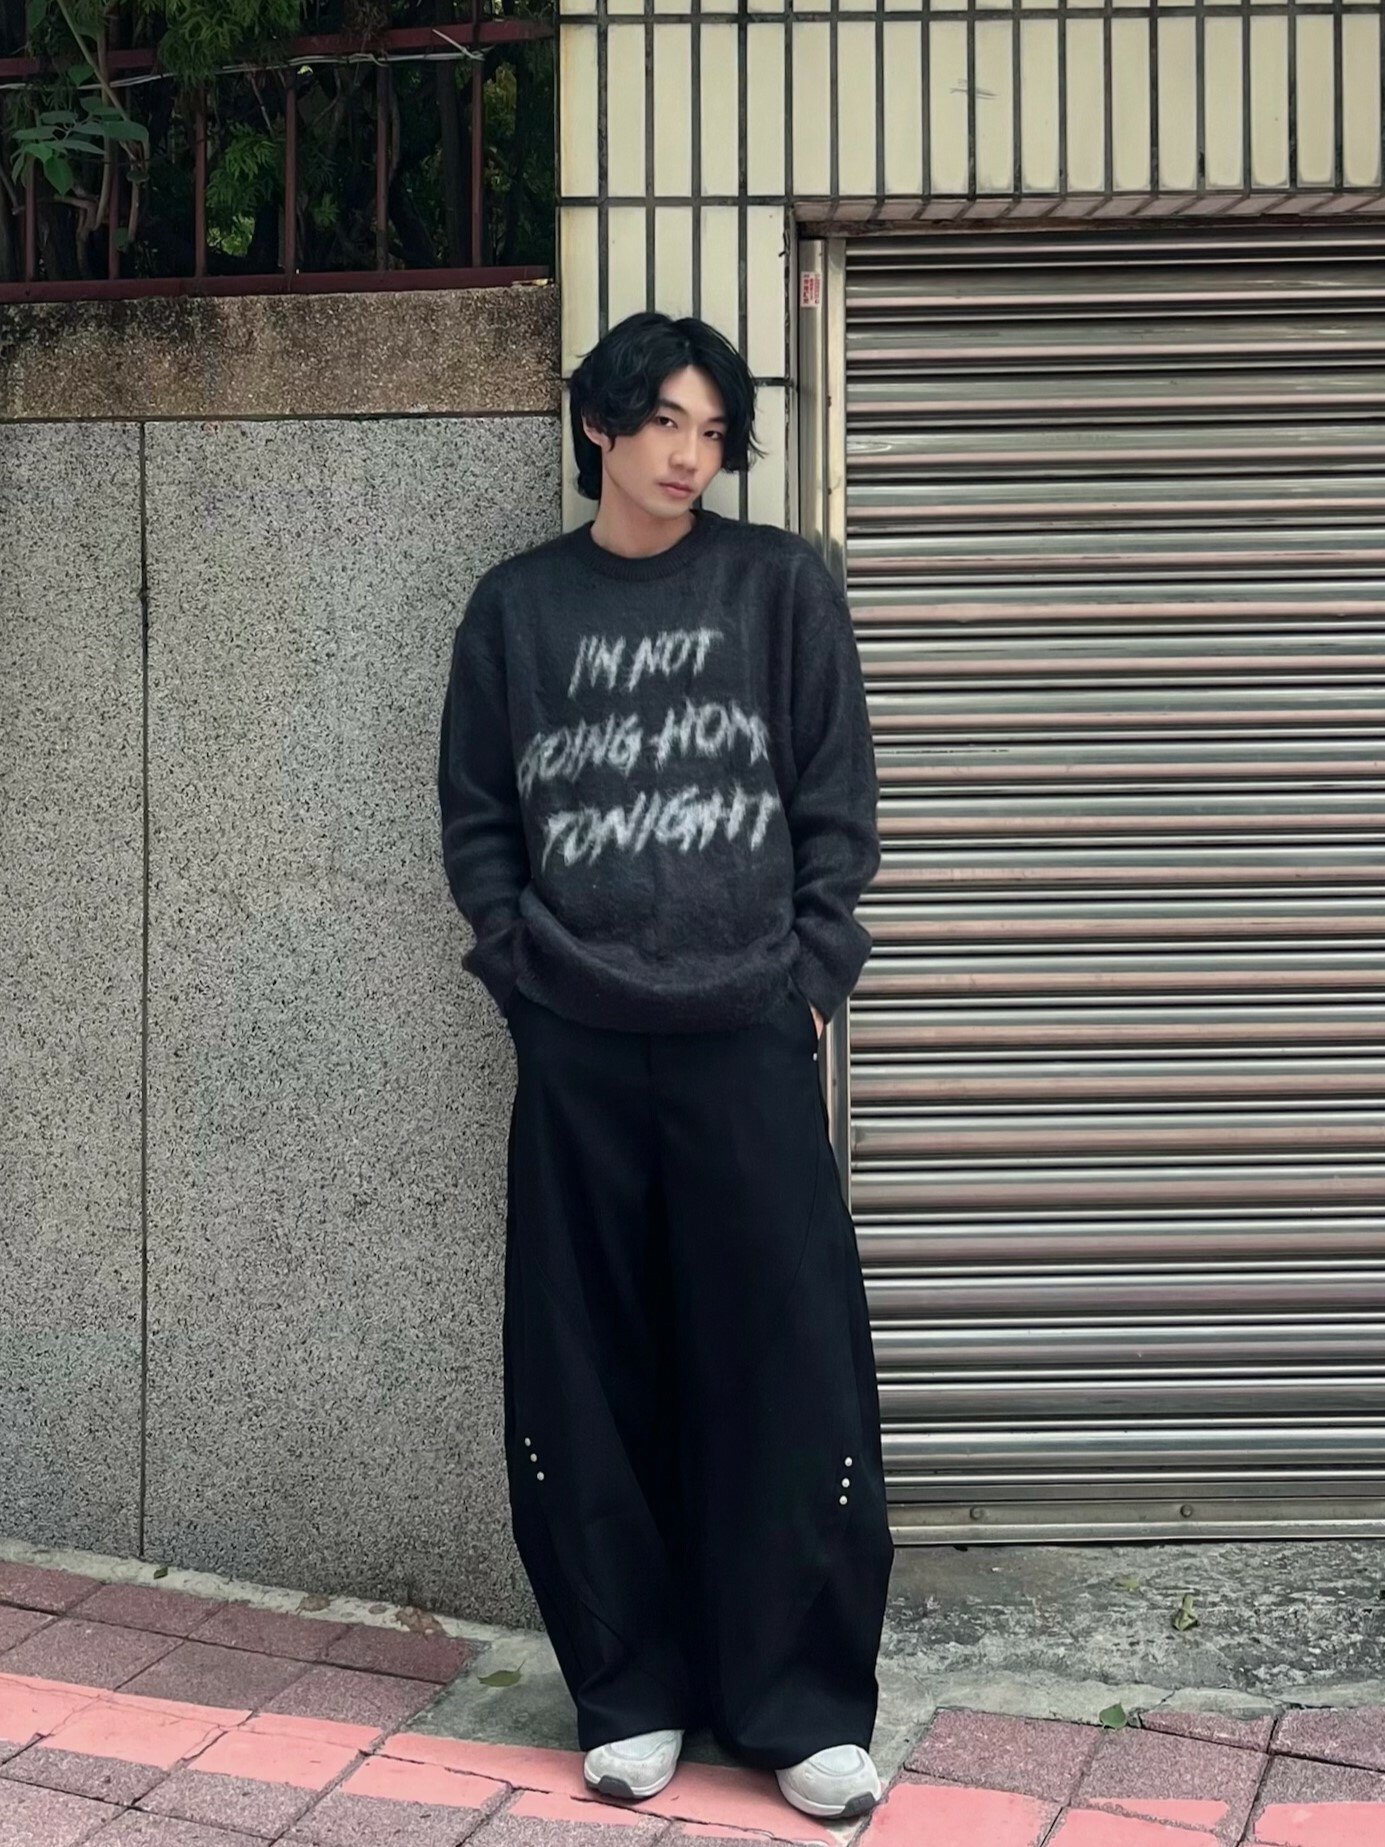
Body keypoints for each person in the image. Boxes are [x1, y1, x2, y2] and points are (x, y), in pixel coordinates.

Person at [437, 310, 894, 1823]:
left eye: (712, 432)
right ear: (599, 426)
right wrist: (522, 979)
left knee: (786, 1364)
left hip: (746, 1033)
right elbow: (478, 816)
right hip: (577, 1038)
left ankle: (799, 1709)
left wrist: (809, 985)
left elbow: (835, 801)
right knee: (587, 1368)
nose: (690, 456)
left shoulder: (778, 585)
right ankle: (628, 1695)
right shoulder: (517, 608)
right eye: (664, 424)